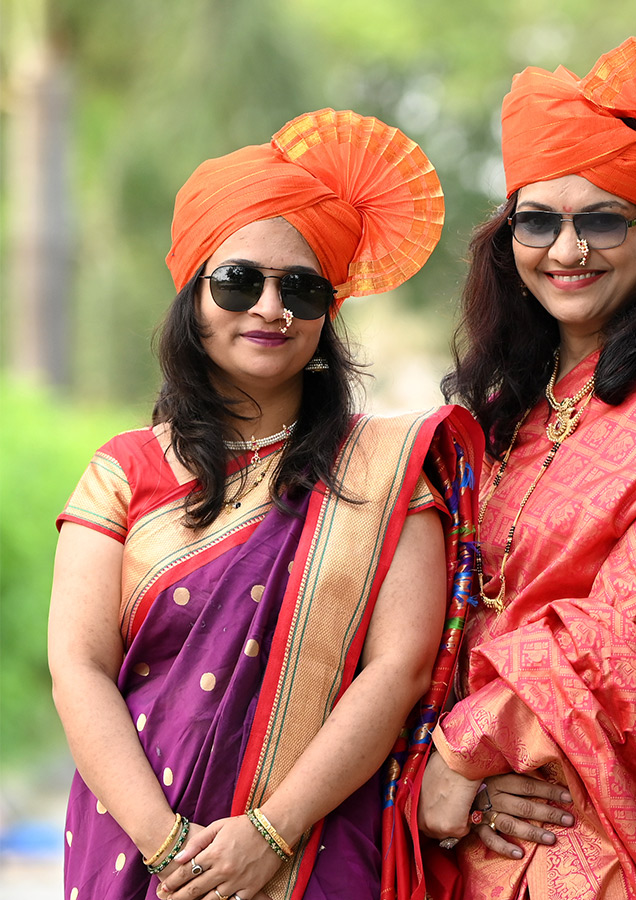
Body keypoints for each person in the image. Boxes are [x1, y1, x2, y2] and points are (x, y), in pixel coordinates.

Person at [48, 108, 483, 900]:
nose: (271, 309)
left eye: (303, 288)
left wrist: (273, 831)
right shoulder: (123, 471)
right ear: (193, 293)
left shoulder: (384, 473)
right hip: (136, 843)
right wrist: (167, 843)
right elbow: (79, 667)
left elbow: (400, 666)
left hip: (317, 846)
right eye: (240, 280)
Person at [418, 35, 636, 900]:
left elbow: (633, 626)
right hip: (493, 811)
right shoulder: (514, 402)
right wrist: (452, 771)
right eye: (538, 221)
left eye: (603, 220)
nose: (567, 249)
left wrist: (459, 753)